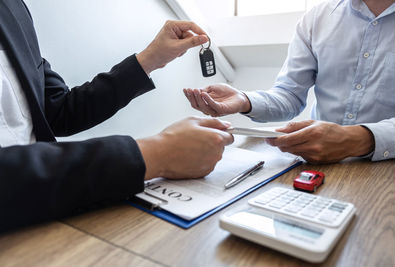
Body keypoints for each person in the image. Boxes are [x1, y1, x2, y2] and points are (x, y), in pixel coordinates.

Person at [0, 0, 233, 232]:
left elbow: (57, 111)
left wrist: (151, 58)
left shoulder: (13, 7)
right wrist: (157, 153)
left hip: (50, 220)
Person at [184, 0, 395, 164]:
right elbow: (290, 96)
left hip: (390, 170)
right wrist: (245, 100)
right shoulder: (316, 19)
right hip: (317, 165)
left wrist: (360, 139)